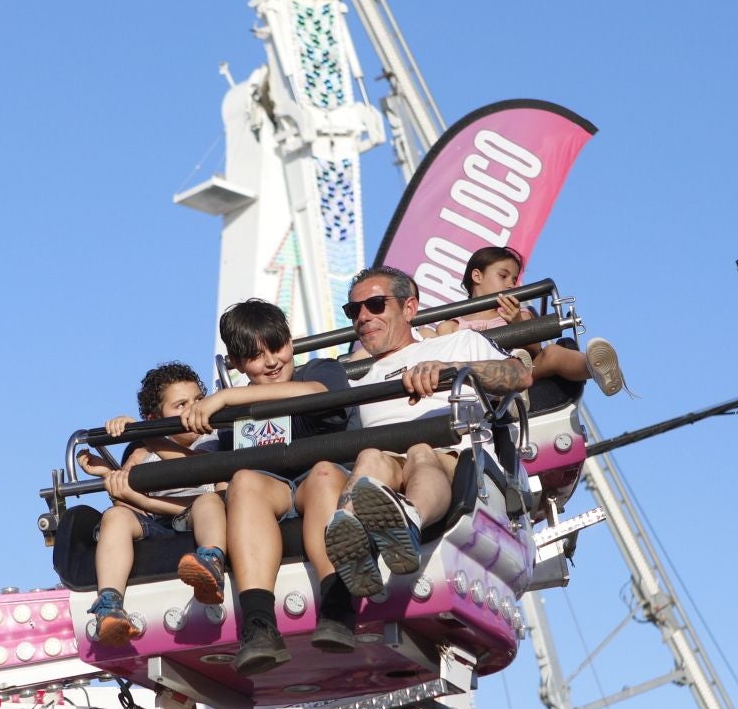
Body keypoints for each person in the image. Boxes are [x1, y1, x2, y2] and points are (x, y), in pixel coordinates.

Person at [323, 266, 531, 598]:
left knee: (420, 451)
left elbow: (519, 376)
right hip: (389, 467)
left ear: (409, 308)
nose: (362, 316)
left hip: (456, 461)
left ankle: (407, 522)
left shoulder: (458, 344)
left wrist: (454, 370)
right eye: (354, 310)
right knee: (369, 458)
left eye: (375, 304)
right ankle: (351, 540)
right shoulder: (357, 382)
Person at [178, 300, 353, 675]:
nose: (272, 362)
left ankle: (338, 606)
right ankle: (259, 626)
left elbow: (316, 395)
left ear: (291, 343)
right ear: (238, 364)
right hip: (271, 493)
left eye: (277, 348)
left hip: (320, 483)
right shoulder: (228, 420)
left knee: (323, 474)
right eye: (256, 357)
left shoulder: (323, 369)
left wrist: (226, 396)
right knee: (243, 482)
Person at [81, 363, 228, 648]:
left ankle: (210, 564)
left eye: (199, 400)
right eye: (181, 404)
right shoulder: (142, 453)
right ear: (155, 417)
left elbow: (193, 469)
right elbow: (128, 499)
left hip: (196, 510)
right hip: (155, 520)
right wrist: (107, 474)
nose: (193, 409)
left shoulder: (214, 439)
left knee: (209, 502)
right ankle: (109, 605)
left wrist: (143, 432)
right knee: (116, 517)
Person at [434, 245, 626, 395]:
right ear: (477, 275)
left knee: (551, 353)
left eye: (514, 279)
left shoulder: (520, 314)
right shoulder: (452, 325)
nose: (511, 284)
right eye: (503, 276)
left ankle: (595, 367)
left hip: (521, 372)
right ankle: (508, 397)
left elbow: (536, 349)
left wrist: (517, 322)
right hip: (475, 380)